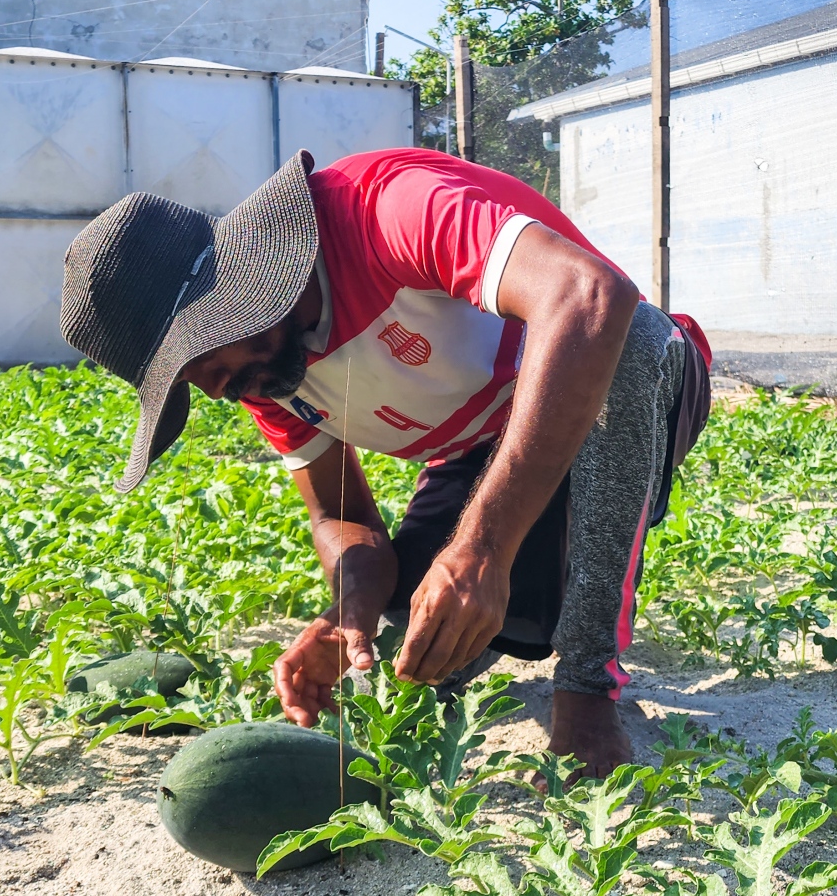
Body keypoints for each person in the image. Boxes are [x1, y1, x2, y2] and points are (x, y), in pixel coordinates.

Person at [59, 148, 711, 778]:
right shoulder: (260, 373)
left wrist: (482, 548)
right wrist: (353, 613)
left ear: (230, 286)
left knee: (634, 341)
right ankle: (524, 591)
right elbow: (343, 518)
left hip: (625, 381)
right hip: (485, 451)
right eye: (181, 380)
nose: (210, 387)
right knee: (419, 650)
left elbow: (591, 295)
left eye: (194, 355)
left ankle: (588, 682)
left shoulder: (382, 210)